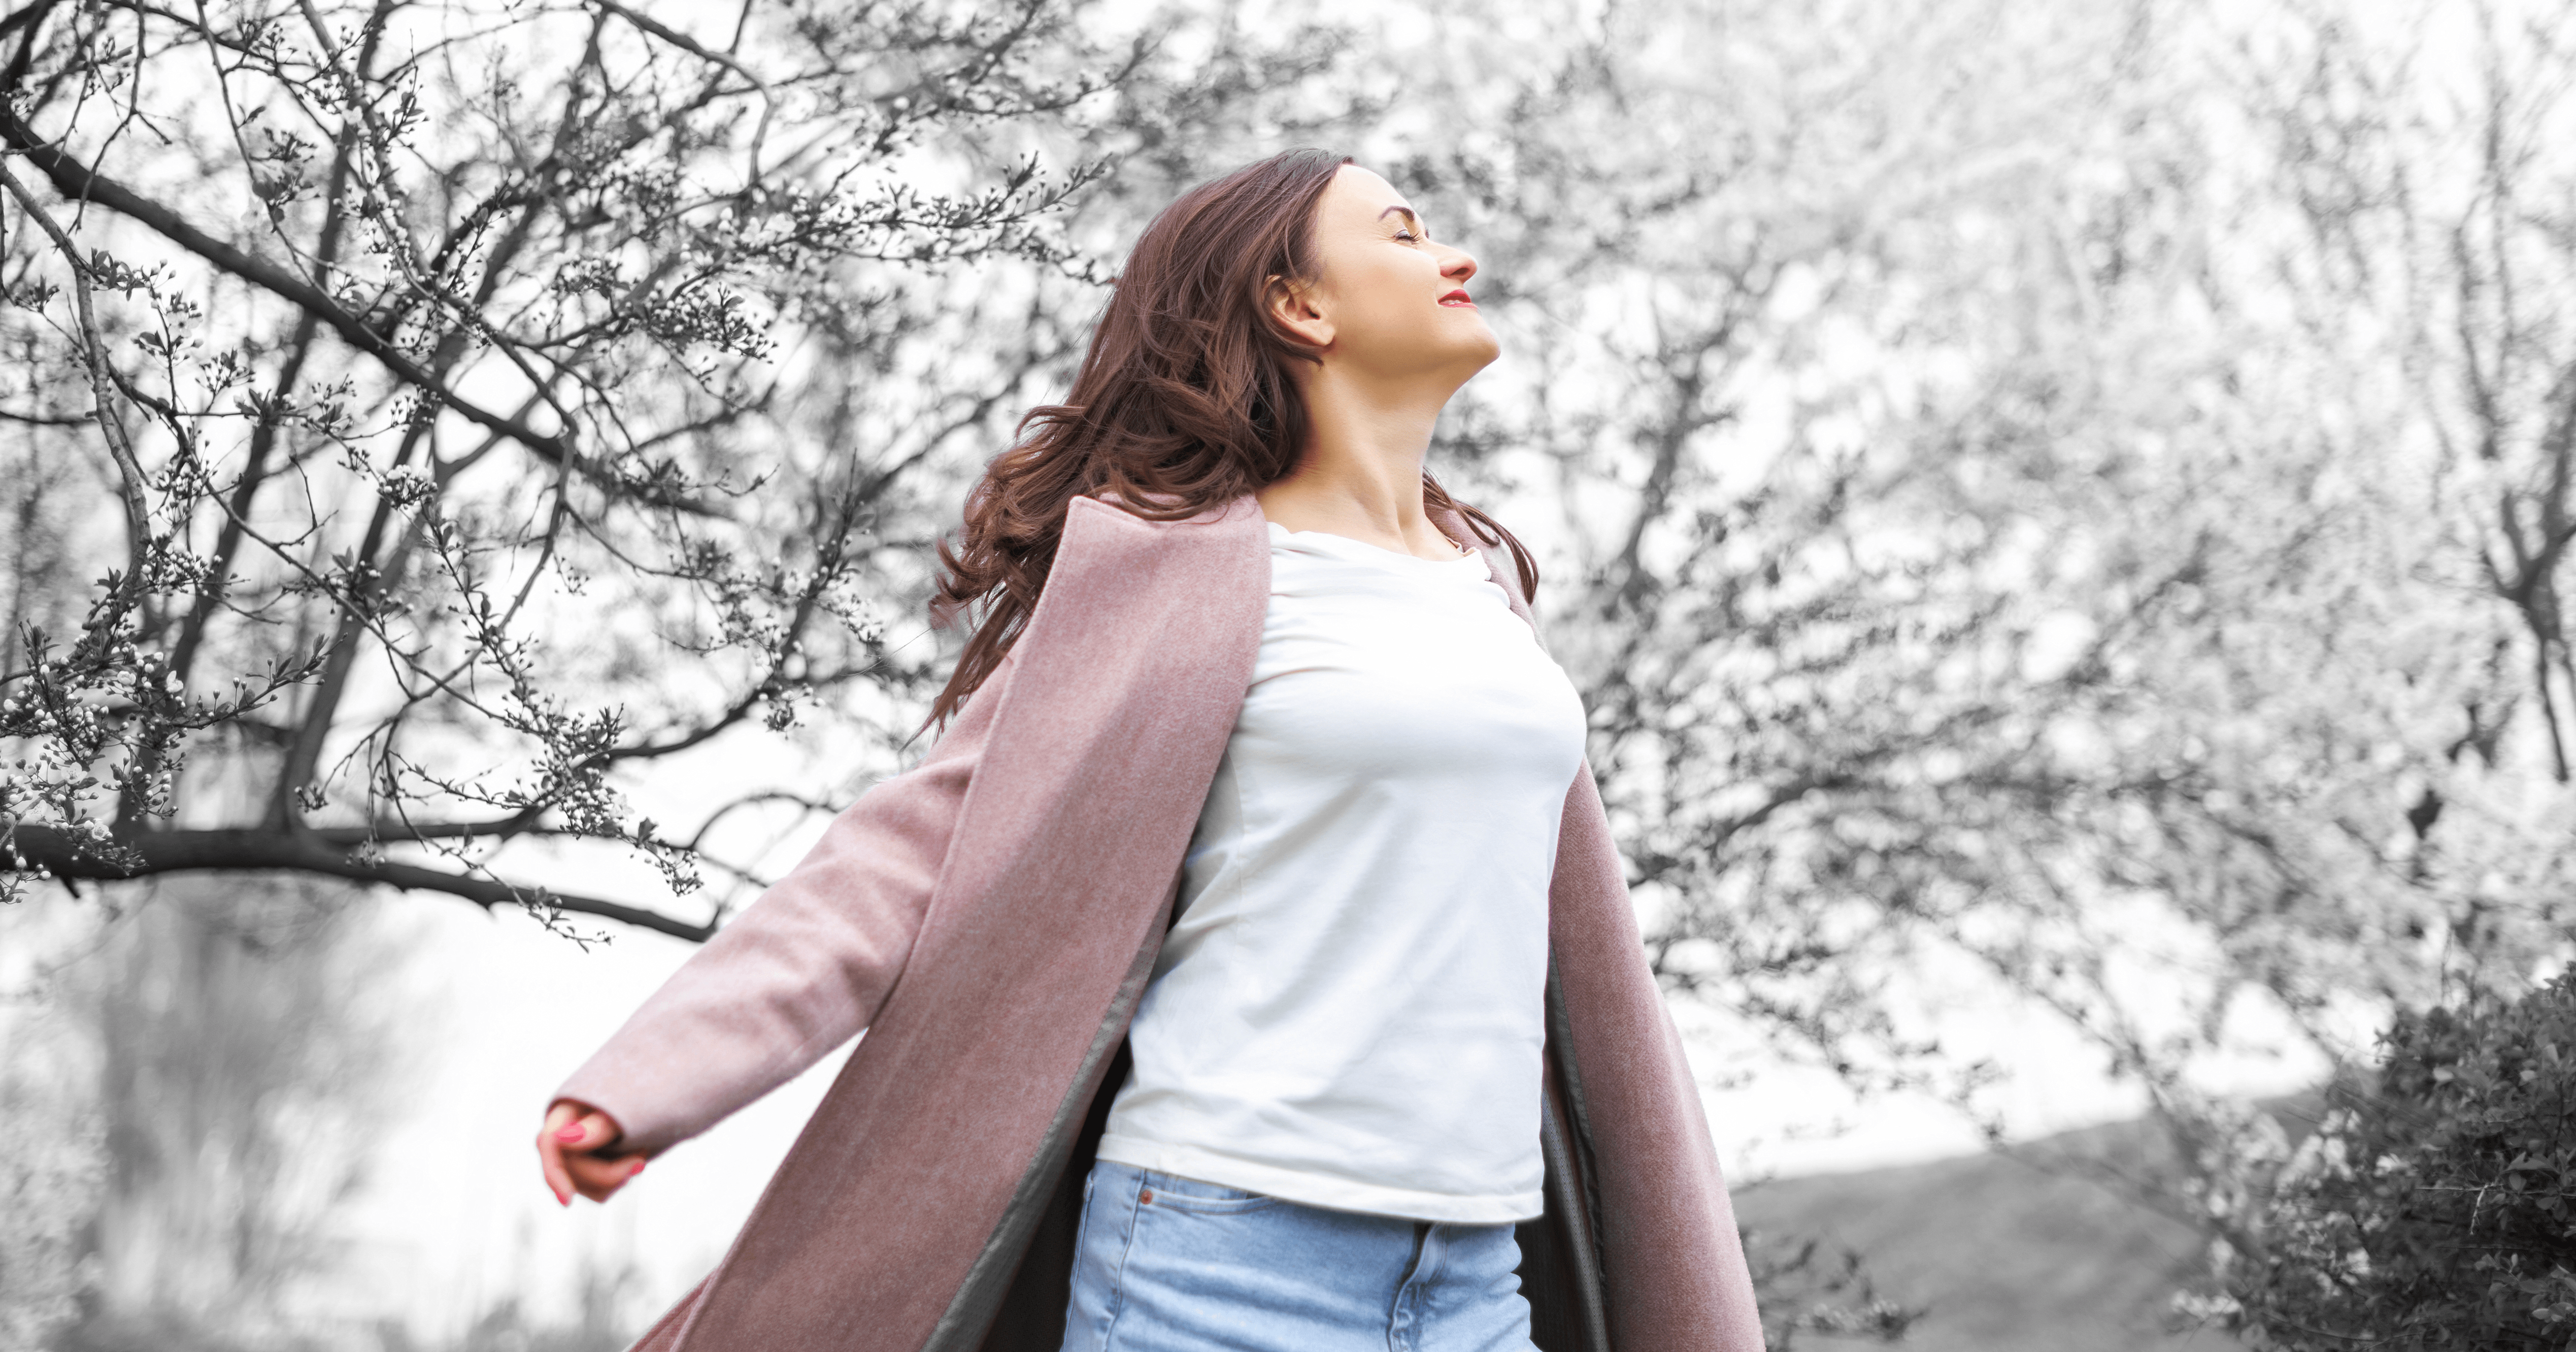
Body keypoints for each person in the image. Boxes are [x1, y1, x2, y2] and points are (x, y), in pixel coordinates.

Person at [533, 148, 1764, 1352]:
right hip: (1220, 1253)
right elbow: (917, 847)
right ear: (1297, 304)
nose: (1457, 253)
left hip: (1474, 1269)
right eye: (1400, 232)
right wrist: (659, 1073)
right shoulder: (1174, 575)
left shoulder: (1485, 592)